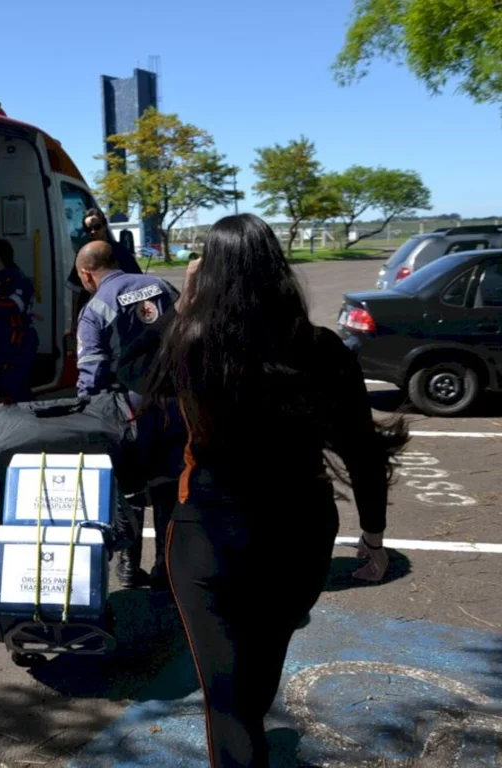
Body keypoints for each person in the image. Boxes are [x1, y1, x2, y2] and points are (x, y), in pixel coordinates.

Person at [144, 213, 408, 767]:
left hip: (211, 534)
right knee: (261, 665)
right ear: (279, 271)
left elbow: (144, 398)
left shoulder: (187, 344)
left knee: (227, 701)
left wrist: (188, 301)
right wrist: (375, 538)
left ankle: (246, 750)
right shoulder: (322, 349)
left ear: (207, 276)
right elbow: (362, 451)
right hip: (300, 531)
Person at [73, 239, 179, 590]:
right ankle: (167, 565)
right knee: (168, 485)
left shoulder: (95, 308)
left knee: (130, 488)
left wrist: (86, 412)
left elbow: (91, 369)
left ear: (87, 274)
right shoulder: (161, 286)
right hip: (174, 402)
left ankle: (130, 568)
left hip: (129, 411)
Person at [65, 208, 143, 338]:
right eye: (88, 229)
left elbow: (138, 285)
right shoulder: (84, 255)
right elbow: (76, 293)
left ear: (105, 225)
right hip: (93, 318)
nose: (93, 232)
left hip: (121, 318)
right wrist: (74, 324)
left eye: (96, 227)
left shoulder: (121, 252)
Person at [0, 238, 38, 403]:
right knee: (6, 388)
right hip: (5, 343)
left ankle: (31, 423)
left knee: (17, 388)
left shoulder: (18, 279)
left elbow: (12, 305)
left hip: (18, 343)